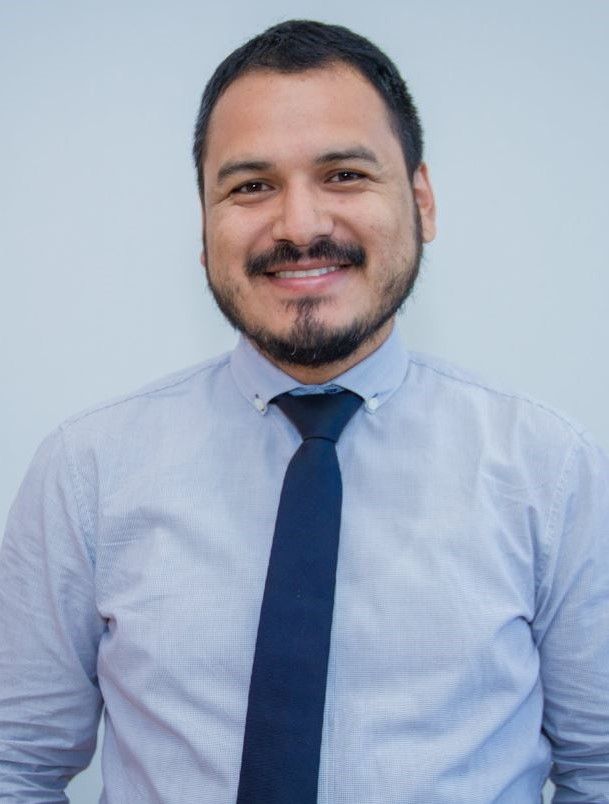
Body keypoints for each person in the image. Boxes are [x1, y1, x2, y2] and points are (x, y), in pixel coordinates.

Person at [1, 19, 608, 804]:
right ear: (204, 224)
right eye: (250, 186)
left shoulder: (549, 471)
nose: (299, 226)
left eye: (344, 174)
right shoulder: (86, 472)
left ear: (421, 201)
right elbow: (15, 767)